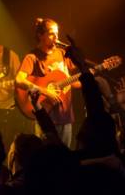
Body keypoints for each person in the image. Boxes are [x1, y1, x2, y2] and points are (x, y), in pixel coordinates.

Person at [15, 18, 78, 147]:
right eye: (51, 34)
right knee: (46, 155)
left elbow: (74, 82)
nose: (56, 38)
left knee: (65, 155)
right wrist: (44, 91)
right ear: (40, 35)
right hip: (45, 118)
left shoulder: (63, 53)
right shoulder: (32, 57)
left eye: (57, 34)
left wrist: (92, 74)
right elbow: (19, 80)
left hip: (65, 116)